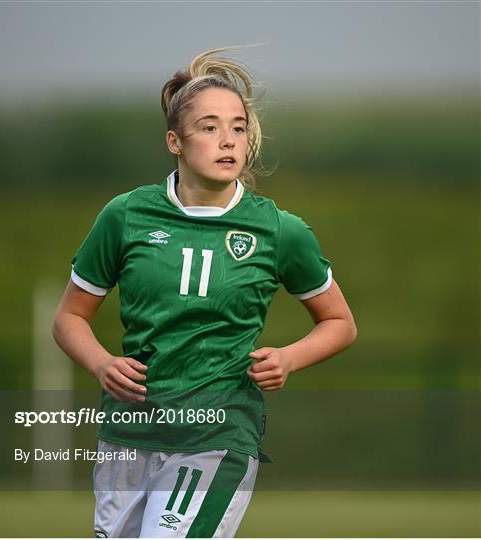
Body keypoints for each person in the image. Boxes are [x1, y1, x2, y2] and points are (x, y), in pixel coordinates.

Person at [53, 46, 357, 538]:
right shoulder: (126, 215)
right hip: (130, 434)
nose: (228, 140)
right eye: (209, 127)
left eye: (238, 127)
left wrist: (290, 357)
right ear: (175, 141)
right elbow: (69, 318)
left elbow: (340, 323)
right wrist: (102, 363)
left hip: (219, 432)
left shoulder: (279, 230)